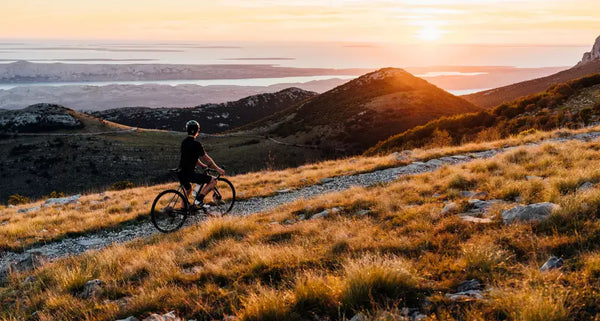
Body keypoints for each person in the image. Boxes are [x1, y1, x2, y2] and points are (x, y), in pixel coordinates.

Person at [178, 120, 225, 207]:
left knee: (188, 190)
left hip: (181, 173)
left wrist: (203, 166)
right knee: (213, 180)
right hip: (190, 174)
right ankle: (199, 200)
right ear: (197, 131)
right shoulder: (197, 144)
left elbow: (193, 158)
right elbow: (207, 159)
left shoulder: (184, 142)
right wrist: (218, 169)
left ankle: (183, 211)